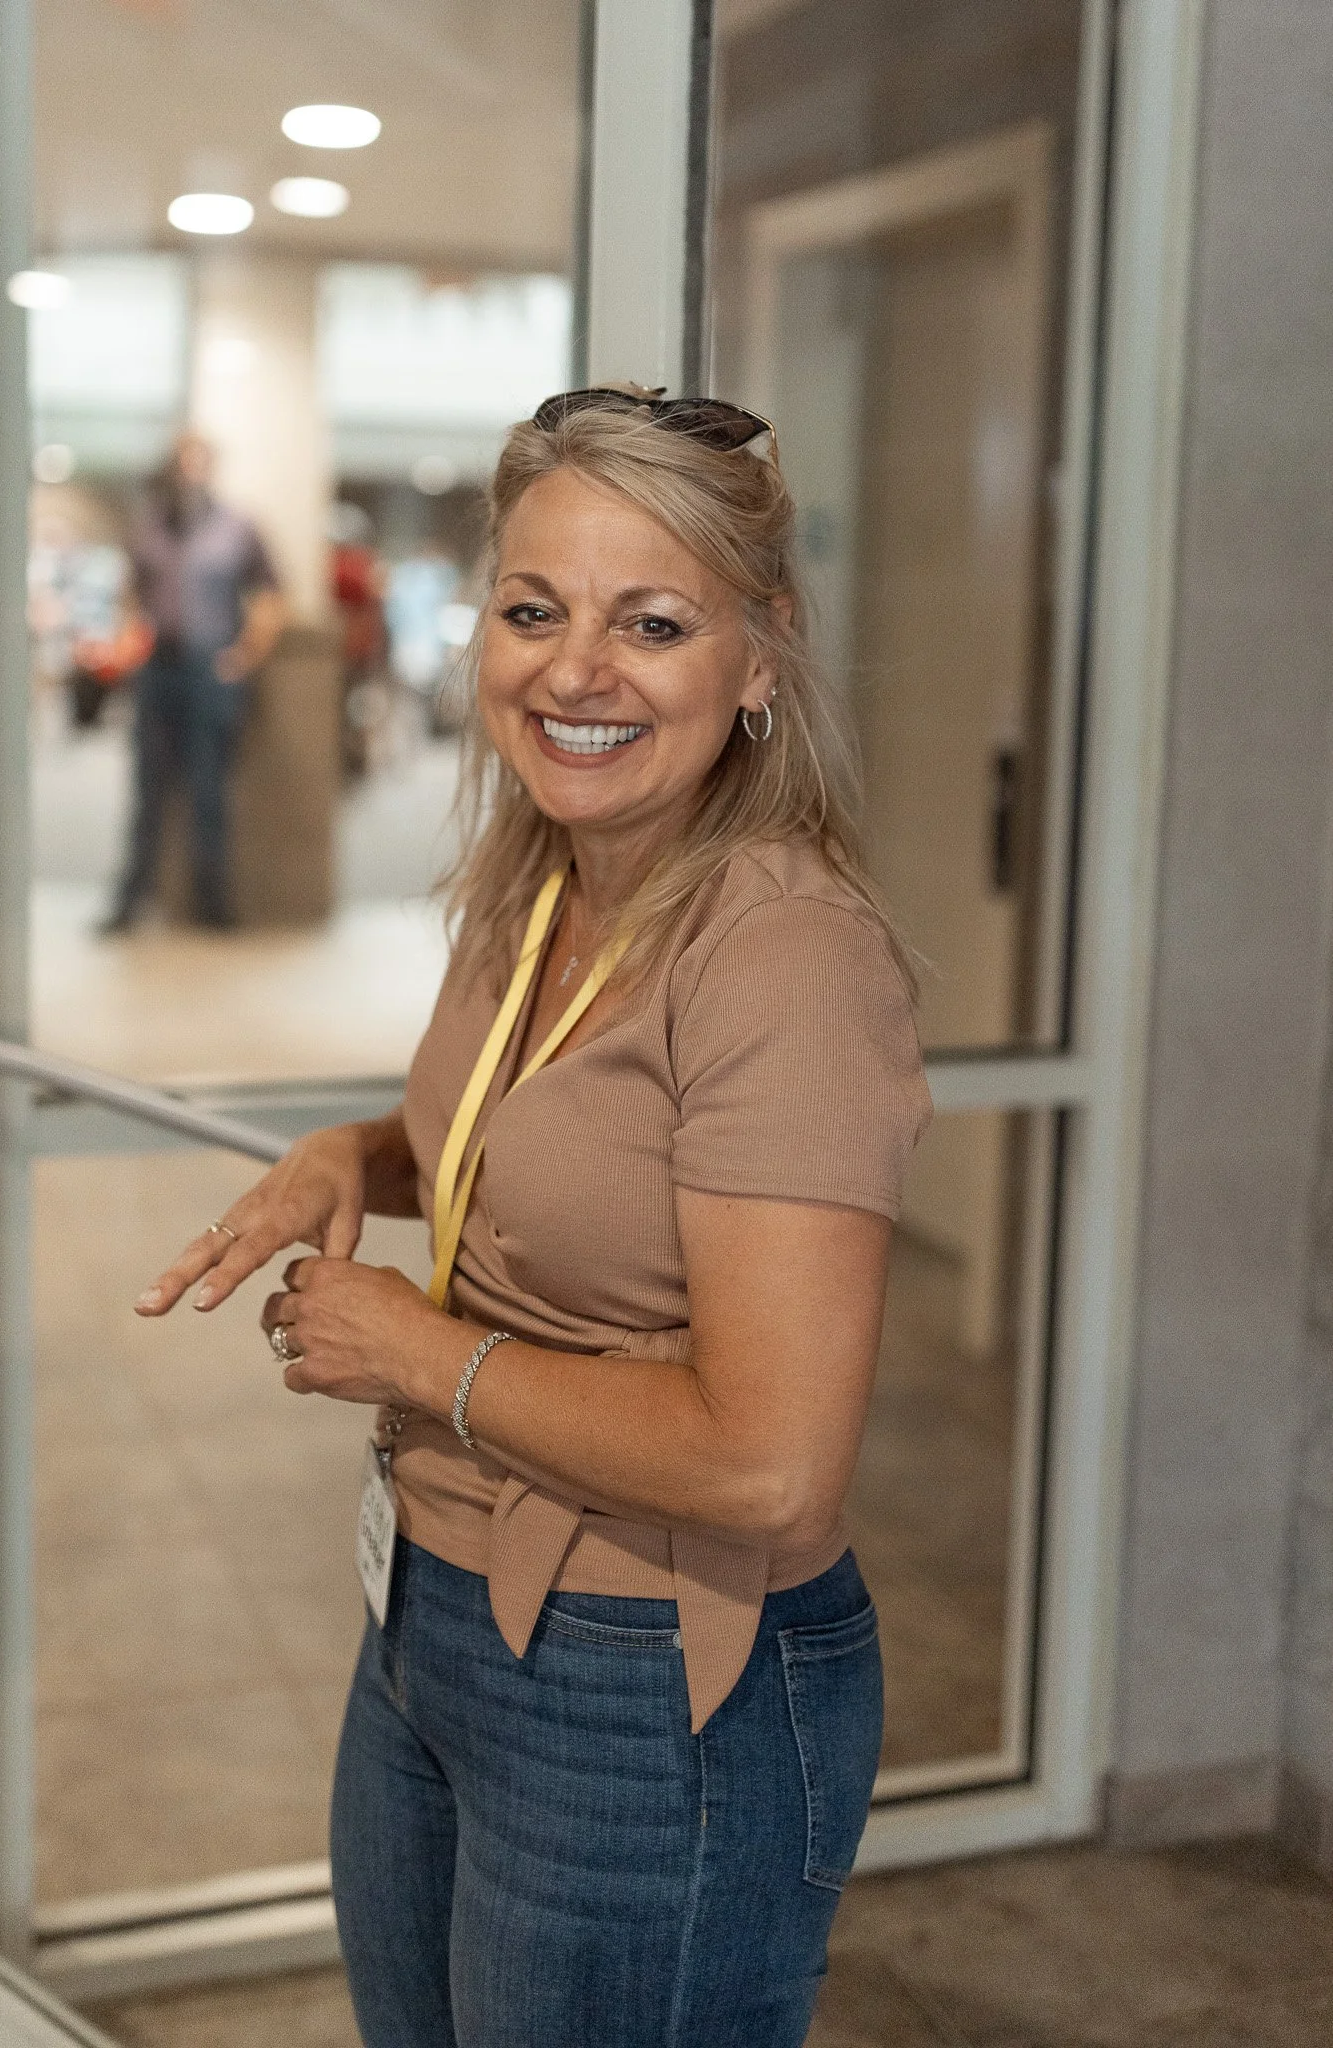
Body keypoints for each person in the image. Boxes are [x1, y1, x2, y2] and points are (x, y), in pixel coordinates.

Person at [135, 388, 931, 2047]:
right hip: (431, 1615)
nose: (575, 670)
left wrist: (421, 1350)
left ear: (762, 658)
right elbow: (552, 1143)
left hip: (644, 1677)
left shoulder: (783, 957)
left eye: (653, 621)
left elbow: (772, 1458)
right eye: (532, 609)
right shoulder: (549, 874)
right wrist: (350, 1156)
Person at [102, 431, 285, 931]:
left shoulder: (237, 527)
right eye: (183, 462)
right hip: (158, 668)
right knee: (148, 790)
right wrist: (128, 640)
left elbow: (271, 597)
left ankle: (214, 907)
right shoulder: (151, 525)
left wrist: (244, 656)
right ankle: (129, 903)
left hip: (210, 670)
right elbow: (129, 591)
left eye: (199, 461)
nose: (190, 472)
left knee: (210, 791)